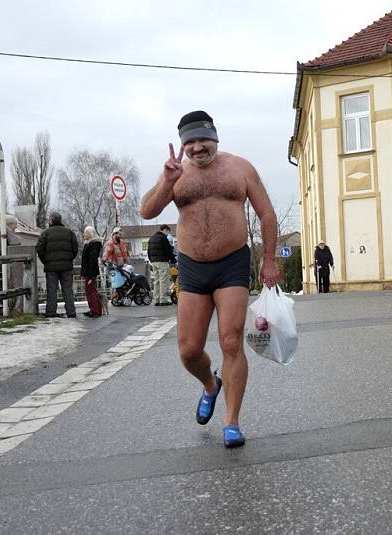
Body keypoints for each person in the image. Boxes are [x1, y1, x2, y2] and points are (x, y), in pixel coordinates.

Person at [139, 110, 280, 448]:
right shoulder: (176, 174)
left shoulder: (240, 168)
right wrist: (167, 182)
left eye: (203, 140)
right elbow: (147, 210)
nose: (198, 147)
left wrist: (271, 260)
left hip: (232, 264)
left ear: (215, 138)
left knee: (231, 341)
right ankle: (209, 385)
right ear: (183, 145)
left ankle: (231, 421)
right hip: (192, 267)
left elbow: (267, 213)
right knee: (188, 350)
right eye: (191, 142)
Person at [36, 212, 79, 318]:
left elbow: (39, 248)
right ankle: (71, 312)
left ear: (51, 221)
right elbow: (75, 249)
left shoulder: (45, 233)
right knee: (67, 289)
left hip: (51, 267)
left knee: (52, 290)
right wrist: (69, 259)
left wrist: (45, 261)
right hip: (66, 266)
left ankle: (51, 312)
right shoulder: (69, 233)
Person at [147, 224, 177, 305]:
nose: (167, 234)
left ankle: (156, 299)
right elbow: (168, 251)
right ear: (165, 230)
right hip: (162, 261)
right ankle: (163, 299)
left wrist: (151, 260)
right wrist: (173, 260)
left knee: (156, 281)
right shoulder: (163, 238)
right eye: (167, 232)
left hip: (153, 262)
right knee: (163, 280)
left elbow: (148, 251)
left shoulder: (151, 238)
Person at [102, 227, 131, 300]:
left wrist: (127, 261)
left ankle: (121, 297)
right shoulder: (110, 243)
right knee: (116, 282)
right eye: (119, 234)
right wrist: (104, 260)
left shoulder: (122, 242)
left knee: (124, 282)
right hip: (114, 266)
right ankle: (115, 297)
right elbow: (107, 252)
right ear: (115, 234)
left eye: (121, 234)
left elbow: (126, 253)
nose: (121, 235)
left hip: (123, 266)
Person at [80, 226, 104, 318]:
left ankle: (95, 311)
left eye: (85, 233)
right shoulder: (91, 244)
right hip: (89, 272)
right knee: (91, 291)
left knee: (91, 291)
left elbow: (92, 261)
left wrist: (91, 276)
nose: (83, 235)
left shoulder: (93, 245)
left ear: (90, 234)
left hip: (90, 272)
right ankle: (95, 310)